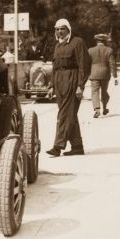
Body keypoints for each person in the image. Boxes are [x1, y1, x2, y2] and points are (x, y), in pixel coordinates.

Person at [46, 18, 91, 157]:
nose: (60, 31)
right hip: (59, 82)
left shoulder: (77, 42)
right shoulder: (58, 46)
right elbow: (55, 68)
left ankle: (58, 145)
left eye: (62, 28)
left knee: (65, 115)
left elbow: (84, 65)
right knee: (69, 114)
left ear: (68, 29)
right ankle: (77, 146)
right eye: (57, 29)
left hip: (72, 80)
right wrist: (52, 86)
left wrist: (80, 86)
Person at [88, 33, 117, 118]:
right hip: (105, 74)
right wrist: (115, 76)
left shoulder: (90, 50)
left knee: (94, 92)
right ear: (104, 41)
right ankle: (104, 107)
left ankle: (97, 109)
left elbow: (87, 63)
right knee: (104, 92)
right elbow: (112, 64)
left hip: (94, 74)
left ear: (96, 41)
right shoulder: (109, 50)